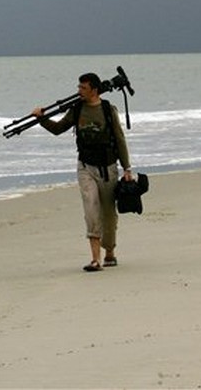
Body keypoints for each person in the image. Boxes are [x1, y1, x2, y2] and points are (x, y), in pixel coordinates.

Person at [31, 73, 133, 273]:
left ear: (94, 90)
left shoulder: (107, 110)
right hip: (85, 167)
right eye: (79, 87)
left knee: (108, 214)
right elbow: (59, 128)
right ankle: (95, 259)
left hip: (108, 168)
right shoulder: (77, 109)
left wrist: (127, 168)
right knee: (91, 210)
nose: (79, 91)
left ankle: (109, 250)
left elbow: (120, 140)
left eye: (83, 88)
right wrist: (41, 119)